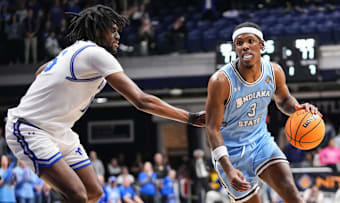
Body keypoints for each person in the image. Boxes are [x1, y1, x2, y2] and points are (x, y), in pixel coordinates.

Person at [5, 5, 205, 203]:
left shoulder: (74, 51)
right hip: (30, 128)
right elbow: (141, 100)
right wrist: (190, 117)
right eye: (113, 30)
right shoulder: (95, 53)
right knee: (77, 195)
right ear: (99, 31)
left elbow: (41, 71)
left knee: (94, 193)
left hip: (59, 132)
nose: (118, 36)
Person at [205, 22, 320, 203]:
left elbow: (284, 100)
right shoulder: (220, 81)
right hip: (231, 153)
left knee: (291, 192)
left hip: (260, 142)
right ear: (235, 48)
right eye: (239, 43)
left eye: (250, 41)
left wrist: (298, 110)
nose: (245, 46)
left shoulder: (274, 71)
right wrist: (227, 168)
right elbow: (212, 129)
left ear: (261, 45)